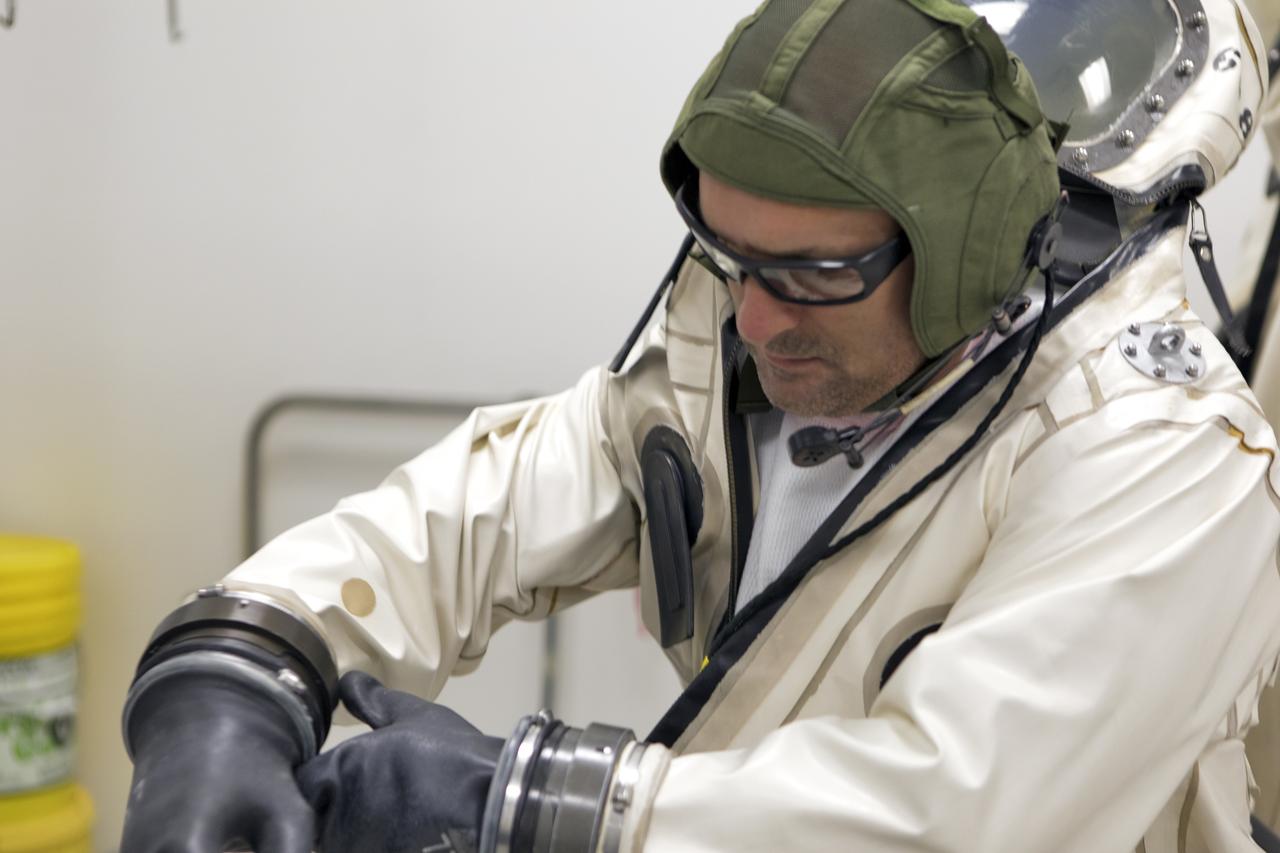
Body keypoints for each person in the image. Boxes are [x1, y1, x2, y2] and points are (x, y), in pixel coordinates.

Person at [118, 1, 1280, 851]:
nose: (755, 317)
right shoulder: (757, 339)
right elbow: (481, 508)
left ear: (956, 262)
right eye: (729, 258)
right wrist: (242, 664)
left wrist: (518, 802)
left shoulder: (1159, 455)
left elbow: (949, 814)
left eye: (810, 272)